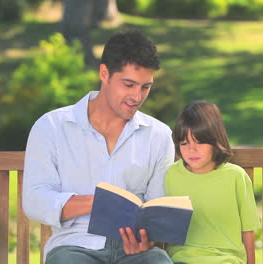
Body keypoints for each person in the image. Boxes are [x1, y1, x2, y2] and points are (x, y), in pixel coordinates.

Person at [22, 30, 175, 264]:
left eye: (145, 87)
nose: (137, 96)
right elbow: (34, 200)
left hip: (134, 252)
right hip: (74, 246)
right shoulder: (52, 126)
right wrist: (97, 203)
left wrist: (148, 239)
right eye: (129, 84)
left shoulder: (159, 135)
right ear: (104, 73)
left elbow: (156, 207)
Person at [165, 101, 260, 264]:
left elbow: (248, 230)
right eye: (184, 143)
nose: (191, 150)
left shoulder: (236, 176)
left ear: (216, 141)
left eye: (200, 142)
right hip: (181, 260)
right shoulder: (171, 174)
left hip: (225, 260)